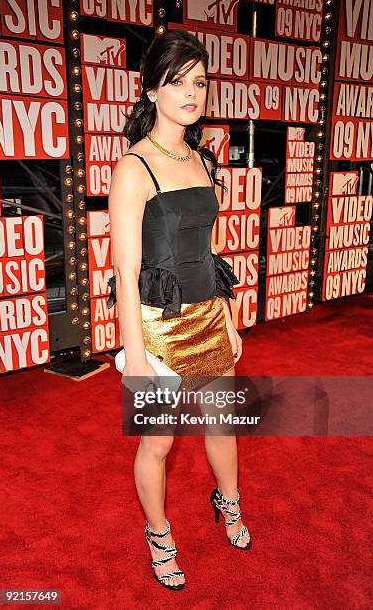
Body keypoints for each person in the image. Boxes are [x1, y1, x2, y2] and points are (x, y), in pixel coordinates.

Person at [107, 29, 252, 592]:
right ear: (150, 91)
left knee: (223, 426)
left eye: (200, 82)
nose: (192, 94)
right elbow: (123, 272)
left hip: (208, 318)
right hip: (158, 326)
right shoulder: (133, 170)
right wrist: (136, 357)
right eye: (178, 82)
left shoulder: (202, 160)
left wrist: (229, 318)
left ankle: (230, 501)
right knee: (159, 443)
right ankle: (159, 533)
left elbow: (207, 252)